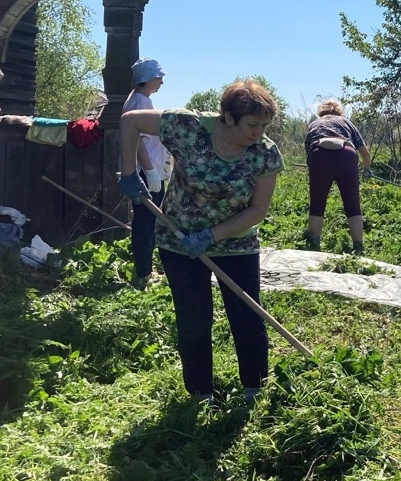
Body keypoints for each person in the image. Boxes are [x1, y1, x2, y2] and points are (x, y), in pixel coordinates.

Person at [118, 79, 284, 405]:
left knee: (247, 315)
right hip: (178, 240)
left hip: (236, 244)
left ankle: (255, 391)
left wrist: (210, 236)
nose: (259, 132)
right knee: (194, 317)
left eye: (264, 125)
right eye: (252, 124)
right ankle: (201, 395)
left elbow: (257, 210)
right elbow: (130, 120)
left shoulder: (264, 154)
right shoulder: (188, 127)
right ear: (227, 116)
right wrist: (128, 173)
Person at [122, 58, 169, 287]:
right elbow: (138, 141)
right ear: (148, 78)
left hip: (152, 171)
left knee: (148, 222)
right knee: (145, 222)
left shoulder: (142, 100)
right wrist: (149, 171)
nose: (161, 82)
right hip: (146, 172)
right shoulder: (138, 103)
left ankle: (145, 269)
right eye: (159, 77)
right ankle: (143, 273)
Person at [303, 98, 372, 253]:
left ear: (321, 112)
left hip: (319, 155)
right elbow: (365, 152)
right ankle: (358, 247)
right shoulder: (346, 122)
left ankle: (314, 245)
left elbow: (307, 151)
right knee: (352, 204)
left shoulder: (314, 124)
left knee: (317, 204)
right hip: (346, 155)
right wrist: (367, 169)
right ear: (339, 112)